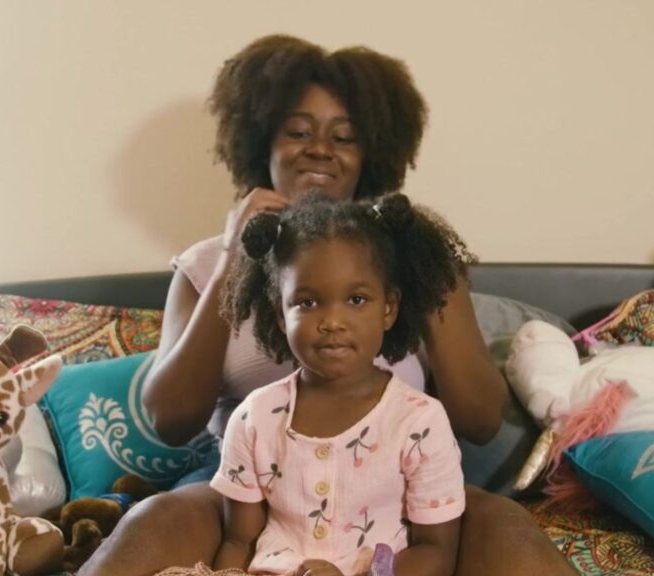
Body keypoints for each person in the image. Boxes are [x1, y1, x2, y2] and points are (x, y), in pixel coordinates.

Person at [79, 34, 577, 576]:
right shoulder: (206, 266)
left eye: (345, 137)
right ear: (261, 144)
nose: (320, 148)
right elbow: (170, 420)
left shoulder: (412, 262)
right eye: (297, 132)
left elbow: (480, 421)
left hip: (394, 498)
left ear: (372, 156)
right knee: (150, 523)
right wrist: (231, 258)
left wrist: (419, 270)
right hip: (245, 496)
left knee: (512, 531)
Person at [211, 192, 468, 575]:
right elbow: (238, 541)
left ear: (389, 308)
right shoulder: (254, 417)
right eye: (308, 303)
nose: (333, 321)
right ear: (281, 314)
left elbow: (436, 553)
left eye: (357, 299)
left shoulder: (419, 421)